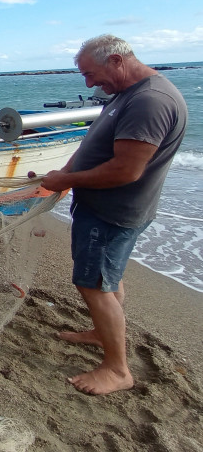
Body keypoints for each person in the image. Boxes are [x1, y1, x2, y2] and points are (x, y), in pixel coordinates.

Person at [41, 35, 187, 395]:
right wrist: (63, 178)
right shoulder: (127, 93)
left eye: (91, 74)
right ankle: (99, 333)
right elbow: (95, 144)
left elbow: (126, 170)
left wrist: (67, 179)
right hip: (105, 207)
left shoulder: (150, 101)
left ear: (117, 61)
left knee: (93, 284)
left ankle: (118, 369)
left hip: (113, 211)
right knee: (107, 278)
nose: (89, 84)